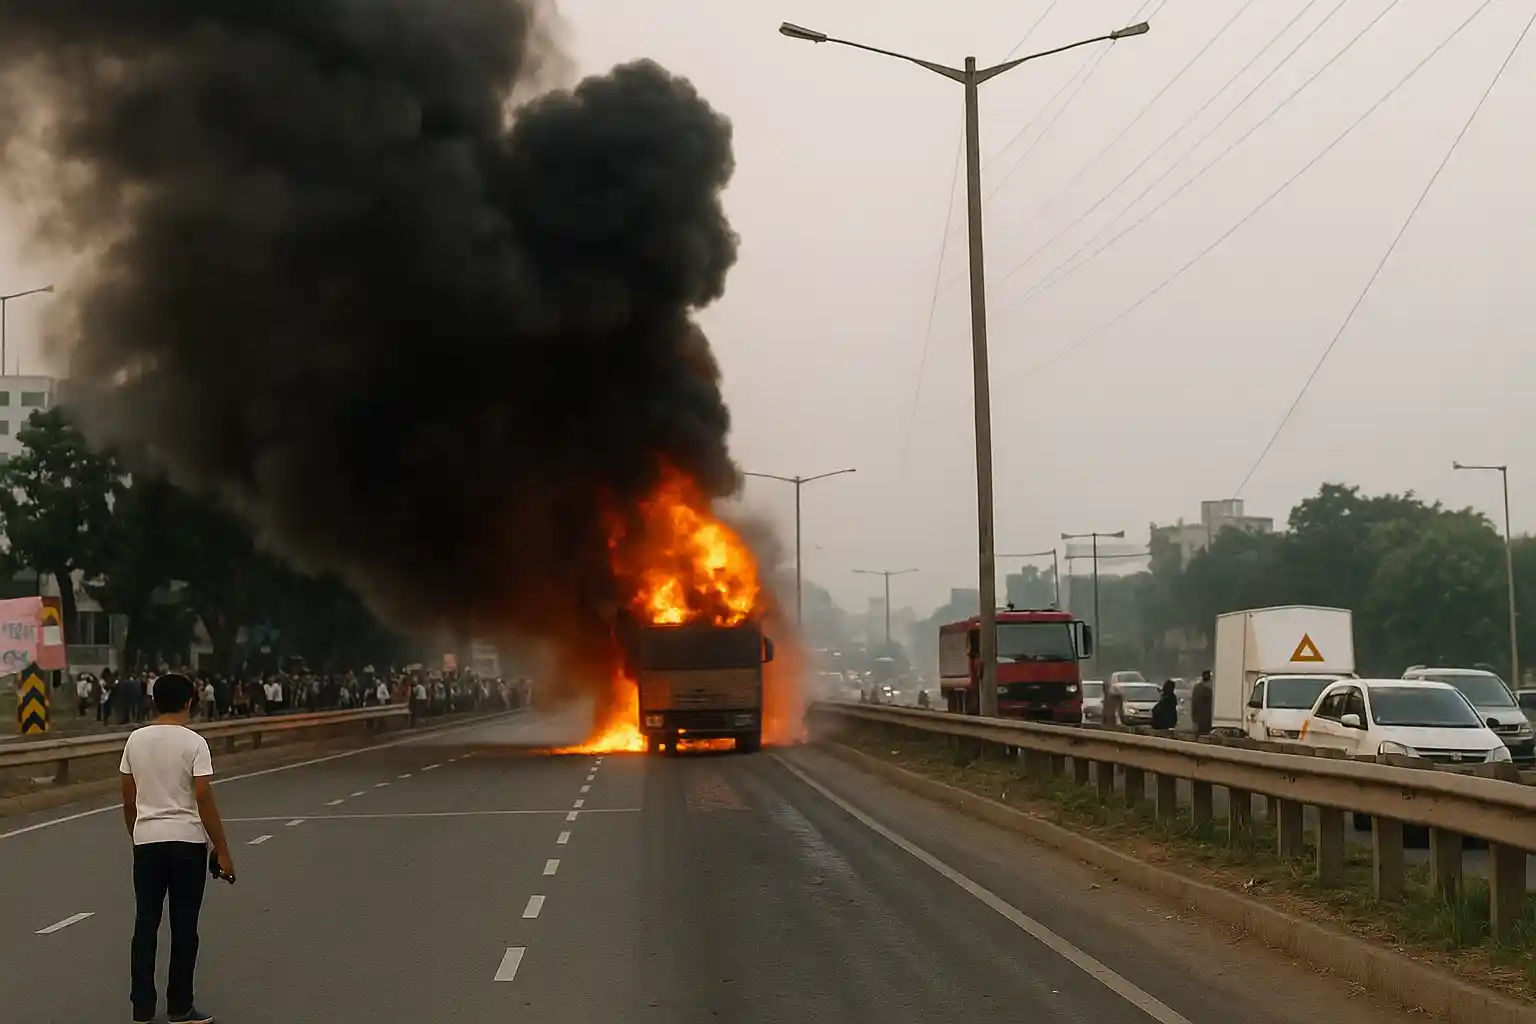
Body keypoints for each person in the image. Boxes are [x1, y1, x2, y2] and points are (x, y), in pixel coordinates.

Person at [119, 673, 233, 1024]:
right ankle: (180, 1007)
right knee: (184, 927)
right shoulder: (194, 743)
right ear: (189, 703)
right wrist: (222, 849)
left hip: (147, 841)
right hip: (187, 843)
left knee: (145, 924)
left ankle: (141, 1005)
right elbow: (202, 795)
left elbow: (128, 796)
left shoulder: (134, 741)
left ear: (153, 701)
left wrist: (137, 835)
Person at [1190, 669, 1214, 736]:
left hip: (1198, 718)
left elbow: (1194, 703)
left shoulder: (1197, 688)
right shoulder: (1210, 689)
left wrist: (1193, 717)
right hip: (1206, 719)